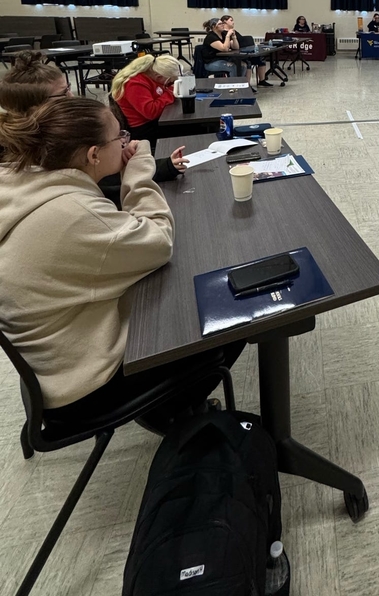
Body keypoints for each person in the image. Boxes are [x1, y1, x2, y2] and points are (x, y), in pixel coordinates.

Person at [0, 97, 243, 427]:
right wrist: (140, 171)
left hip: (53, 366)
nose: (128, 142)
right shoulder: (74, 214)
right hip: (85, 389)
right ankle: (175, 415)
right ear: (93, 154)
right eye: (120, 137)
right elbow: (159, 240)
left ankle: (176, 408)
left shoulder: (21, 183)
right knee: (232, 311)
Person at [0, 51, 187, 204]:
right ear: (36, 107)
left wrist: (121, 156)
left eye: (69, 88)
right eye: (64, 93)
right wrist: (155, 169)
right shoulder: (61, 143)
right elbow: (106, 187)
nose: (72, 97)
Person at [111, 53, 181, 149]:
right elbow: (151, 112)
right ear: (159, 76)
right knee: (192, 129)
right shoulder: (134, 83)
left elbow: (159, 95)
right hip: (144, 129)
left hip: (153, 122)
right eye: (170, 81)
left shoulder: (151, 78)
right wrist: (170, 92)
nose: (170, 84)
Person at [218, 14, 271, 87]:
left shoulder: (234, 32)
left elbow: (242, 41)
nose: (233, 22)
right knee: (247, 62)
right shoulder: (223, 33)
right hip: (234, 55)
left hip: (244, 52)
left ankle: (262, 81)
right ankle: (247, 85)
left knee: (261, 59)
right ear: (225, 22)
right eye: (231, 20)